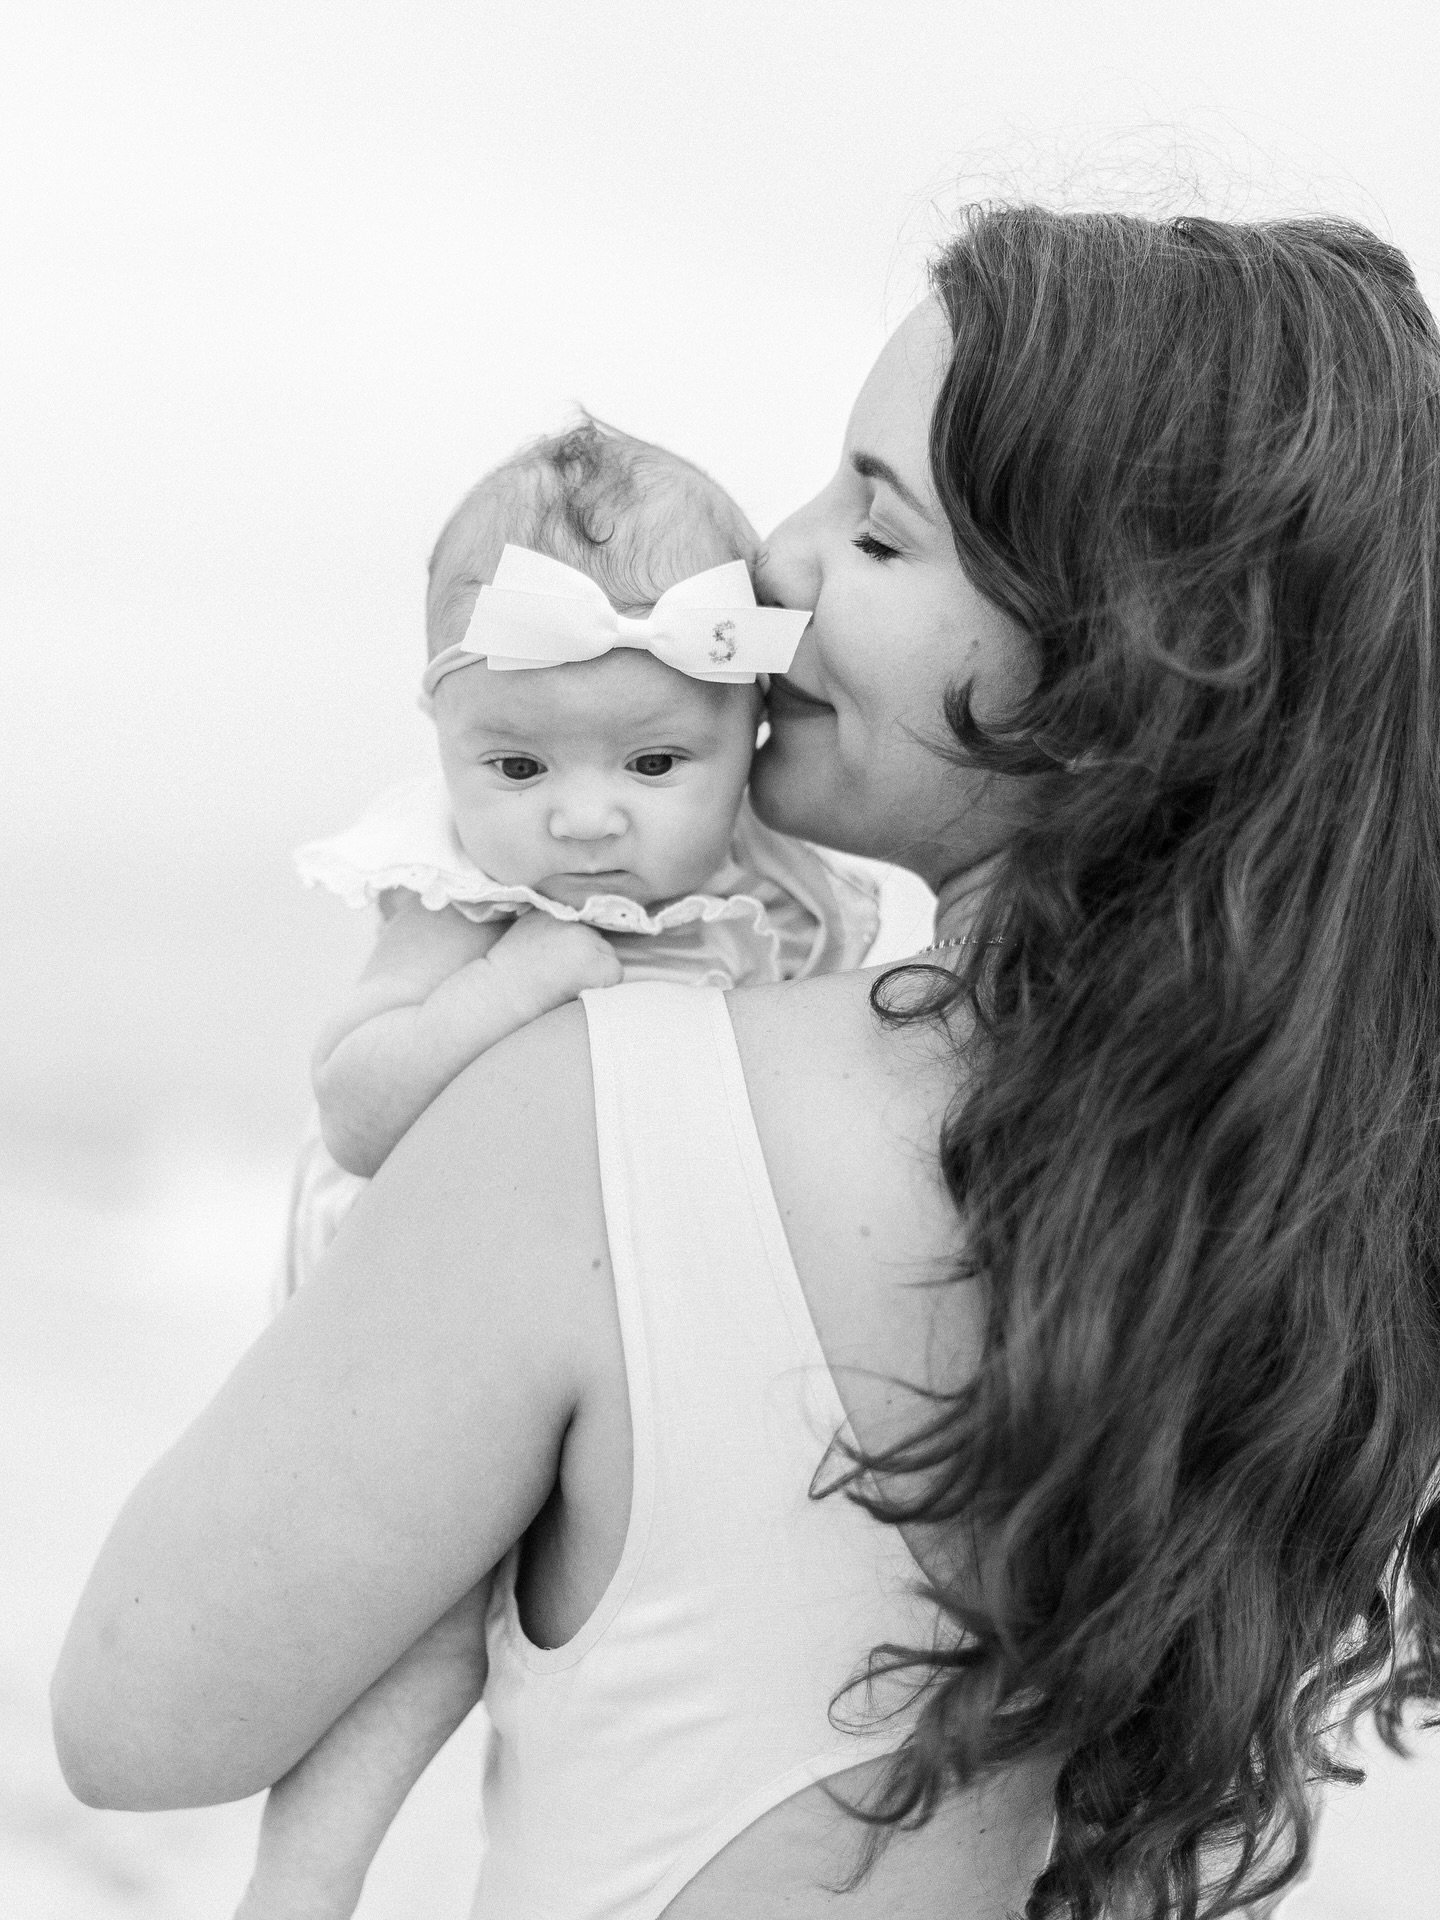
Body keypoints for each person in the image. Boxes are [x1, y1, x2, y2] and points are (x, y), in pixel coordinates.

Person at [52, 205, 1440, 1920]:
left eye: (878, 527)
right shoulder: (1307, 1243)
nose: (775, 560)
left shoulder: (607, 1105)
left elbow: (140, 1713)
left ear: (1122, 664)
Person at [279, 418, 878, 1297]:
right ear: (442, 733)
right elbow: (353, 1117)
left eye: (654, 764)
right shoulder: (473, 901)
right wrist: (503, 986)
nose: (587, 820)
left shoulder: (774, 895)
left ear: (754, 731)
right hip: (422, 1280)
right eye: (520, 768)